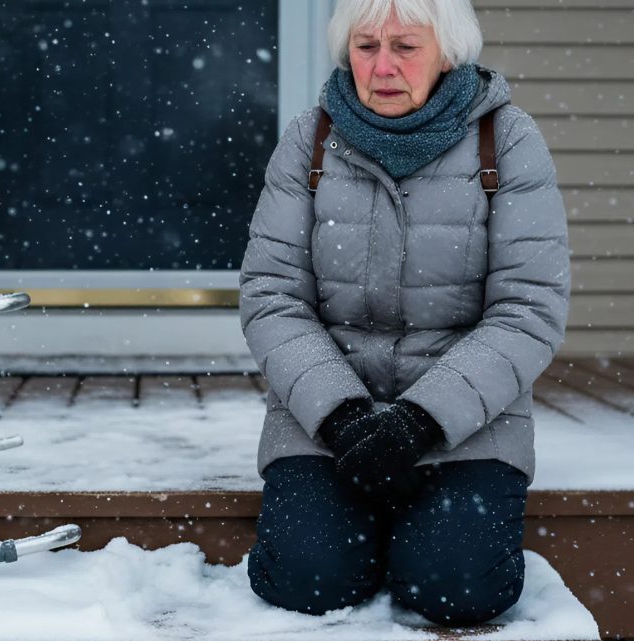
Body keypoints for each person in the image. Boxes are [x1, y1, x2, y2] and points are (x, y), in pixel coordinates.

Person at [238, 0, 571, 627]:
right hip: (326, 416)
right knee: (305, 581)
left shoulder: (508, 141)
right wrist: (340, 416)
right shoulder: (310, 139)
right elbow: (271, 294)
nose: (383, 66)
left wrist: (421, 422)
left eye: (405, 47)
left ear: (447, 53)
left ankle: (418, 535)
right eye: (367, 47)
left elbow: (528, 308)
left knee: (458, 592)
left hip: (468, 421)